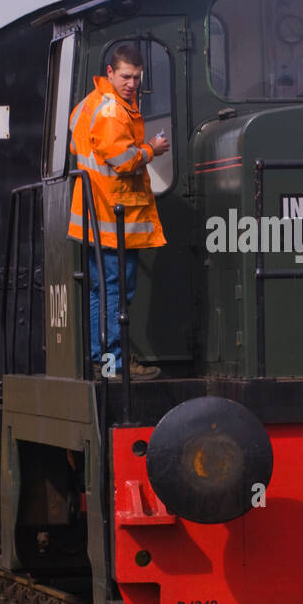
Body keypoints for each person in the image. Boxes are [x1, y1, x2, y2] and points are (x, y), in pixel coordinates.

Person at [67, 44, 170, 380]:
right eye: (126, 76)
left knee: (101, 291)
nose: (132, 83)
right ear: (110, 73)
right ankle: (116, 364)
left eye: (137, 77)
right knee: (116, 292)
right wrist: (150, 150)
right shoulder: (112, 110)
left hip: (96, 213)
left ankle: (103, 361)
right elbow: (123, 160)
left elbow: (75, 141)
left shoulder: (88, 104)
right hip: (113, 215)